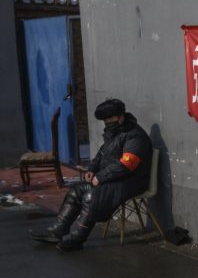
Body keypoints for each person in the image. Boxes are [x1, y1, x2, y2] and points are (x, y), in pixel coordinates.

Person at [31, 98, 153, 251]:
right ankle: (58, 230)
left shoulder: (135, 135)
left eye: (111, 119)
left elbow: (127, 165)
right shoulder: (113, 133)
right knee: (76, 191)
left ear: (121, 117)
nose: (108, 122)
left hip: (132, 180)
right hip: (115, 178)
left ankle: (78, 238)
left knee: (91, 196)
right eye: (105, 120)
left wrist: (101, 177)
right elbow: (101, 155)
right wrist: (91, 170)